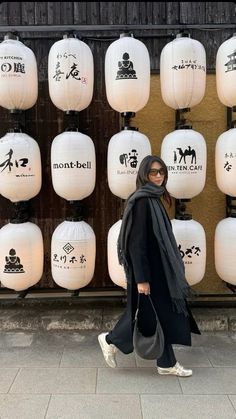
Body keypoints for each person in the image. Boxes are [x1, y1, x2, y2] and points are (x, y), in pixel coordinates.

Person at [98, 155, 200, 377]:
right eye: (153, 172)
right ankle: (111, 340)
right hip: (148, 272)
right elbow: (136, 244)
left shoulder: (154, 199)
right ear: (144, 175)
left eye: (161, 171)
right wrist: (143, 279)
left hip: (158, 269)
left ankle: (164, 362)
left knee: (155, 314)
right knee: (149, 313)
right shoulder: (143, 201)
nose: (159, 176)